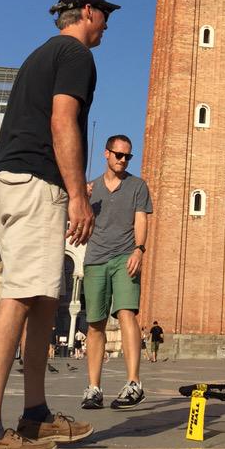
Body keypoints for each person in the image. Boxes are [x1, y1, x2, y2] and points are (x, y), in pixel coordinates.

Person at [0, 0, 118, 449]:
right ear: (87, 12)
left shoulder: (42, 53)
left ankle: (36, 414)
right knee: (21, 293)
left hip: (14, 179)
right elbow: (62, 121)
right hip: (36, 181)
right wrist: (78, 195)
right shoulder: (75, 54)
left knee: (44, 296)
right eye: (104, 16)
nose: (107, 25)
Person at [81, 135, 152, 410]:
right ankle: (93, 388)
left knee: (127, 313)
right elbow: (76, 217)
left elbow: (141, 219)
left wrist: (139, 250)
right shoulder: (91, 188)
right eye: (118, 155)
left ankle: (134, 383)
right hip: (95, 259)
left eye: (127, 156)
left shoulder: (137, 186)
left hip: (125, 257)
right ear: (106, 154)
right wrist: (81, 196)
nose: (123, 160)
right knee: (95, 323)